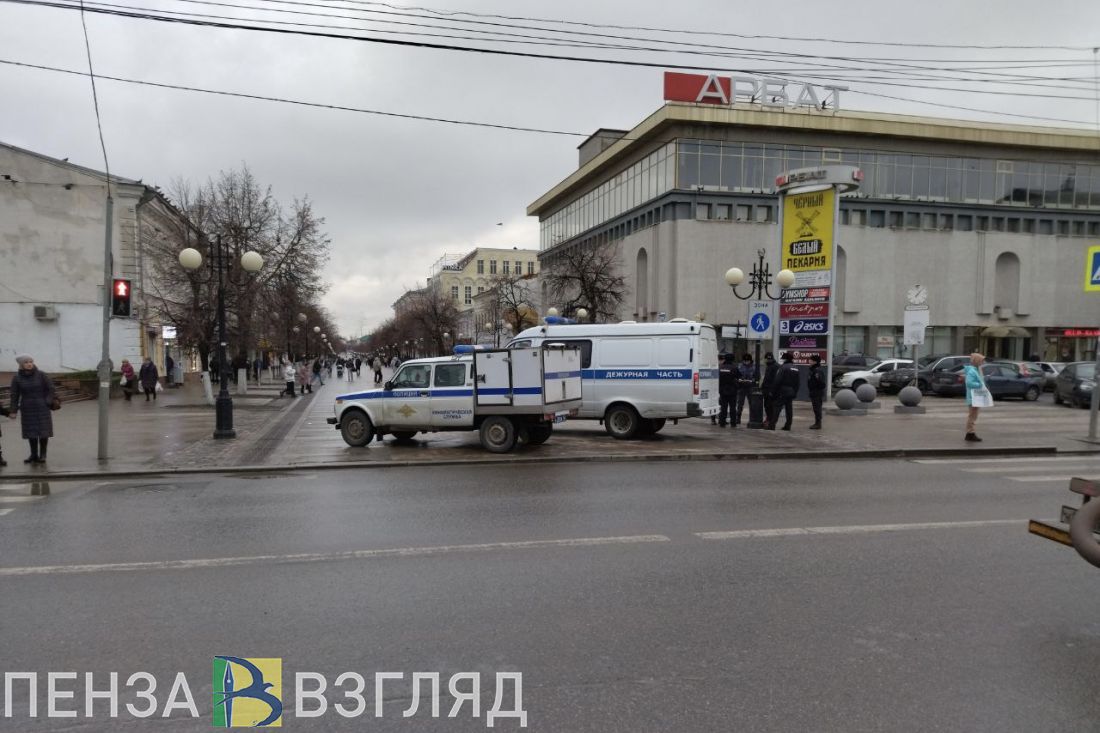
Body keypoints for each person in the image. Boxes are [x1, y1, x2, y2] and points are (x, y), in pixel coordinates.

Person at [9, 354, 56, 464]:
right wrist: (13, 411)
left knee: (44, 431)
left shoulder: (41, 375)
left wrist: (47, 401)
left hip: (42, 407)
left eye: (31, 361)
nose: (29, 364)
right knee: (31, 432)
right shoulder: (17, 378)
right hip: (27, 408)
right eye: (26, 362)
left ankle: (43, 455)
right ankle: (33, 455)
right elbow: (14, 395)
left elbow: (51, 388)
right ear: (21, 365)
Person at [772, 352, 801, 431]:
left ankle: (772, 425)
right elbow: (798, 383)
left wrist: (773, 391)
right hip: (791, 391)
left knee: (777, 408)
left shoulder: (783, 368)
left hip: (782, 391)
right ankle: (788, 425)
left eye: (783, 359)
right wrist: (795, 392)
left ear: (785, 359)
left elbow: (777, 380)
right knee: (789, 409)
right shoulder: (796, 368)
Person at [964, 352, 989, 442]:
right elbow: (969, 383)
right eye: (981, 360)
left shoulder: (975, 370)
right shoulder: (972, 371)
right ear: (976, 361)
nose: (982, 362)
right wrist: (979, 385)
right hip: (973, 397)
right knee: (972, 416)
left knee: (973, 416)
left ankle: (970, 433)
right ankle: (970, 433)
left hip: (975, 397)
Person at [734, 354, 755, 427]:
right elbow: (736, 375)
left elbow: (756, 377)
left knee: (751, 404)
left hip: (750, 387)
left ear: (750, 360)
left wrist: (752, 381)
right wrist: (738, 380)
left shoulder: (754, 367)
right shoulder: (740, 366)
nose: (746, 362)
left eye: (748, 361)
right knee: (740, 403)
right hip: (741, 387)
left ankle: (752, 418)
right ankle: (738, 418)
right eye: (745, 361)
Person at [807, 354, 827, 429]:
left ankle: (818, 424)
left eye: (811, 360)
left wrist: (816, 389)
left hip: (817, 392)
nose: (809, 361)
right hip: (814, 392)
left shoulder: (817, 371)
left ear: (815, 361)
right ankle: (817, 423)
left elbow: (821, 383)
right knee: (816, 408)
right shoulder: (813, 370)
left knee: (817, 408)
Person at [717, 353, 737, 428]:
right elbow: (739, 376)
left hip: (723, 390)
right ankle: (733, 423)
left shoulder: (720, 367)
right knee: (732, 408)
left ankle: (722, 422)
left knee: (723, 407)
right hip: (732, 390)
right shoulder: (734, 367)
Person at [761, 352, 779, 429]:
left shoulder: (774, 366)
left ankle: (770, 421)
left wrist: (772, 390)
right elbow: (766, 378)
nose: (767, 360)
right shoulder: (770, 365)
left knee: (770, 406)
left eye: (768, 359)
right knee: (767, 406)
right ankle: (769, 419)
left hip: (770, 390)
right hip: (767, 389)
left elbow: (774, 380)